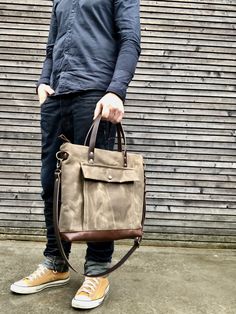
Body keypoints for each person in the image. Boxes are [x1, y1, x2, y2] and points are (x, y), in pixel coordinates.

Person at [10, 0, 141, 310]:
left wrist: (116, 91)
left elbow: (130, 39)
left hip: (95, 95)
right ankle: (55, 262)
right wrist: (44, 81)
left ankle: (98, 270)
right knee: (50, 185)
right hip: (57, 97)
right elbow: (51, 45)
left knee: (97, 189)